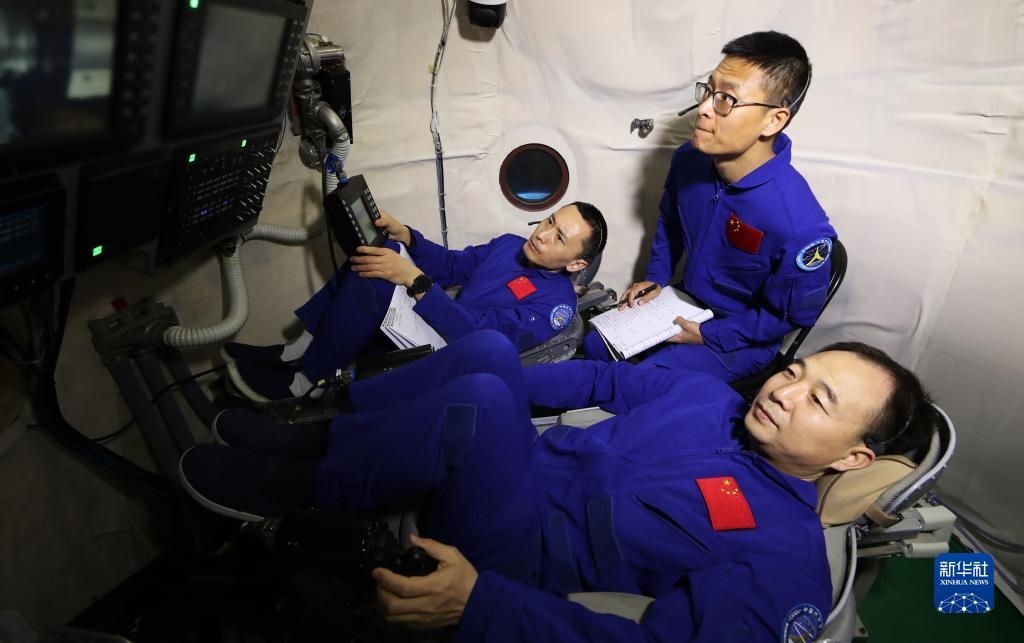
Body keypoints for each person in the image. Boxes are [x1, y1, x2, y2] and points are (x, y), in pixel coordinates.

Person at [179, 329, 937, 642]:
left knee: (485, 399)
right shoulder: (712, 399)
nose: (783, 391)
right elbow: (603, 379)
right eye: (795, 371)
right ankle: (317, 435)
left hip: (521, 554)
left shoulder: (785, 558)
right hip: (525, 468)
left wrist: (482, 603)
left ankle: (294, 488)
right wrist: (509, 382)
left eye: (819, 401)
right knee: (488, 351)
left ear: (853, 458)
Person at [582, 30, 837, 382]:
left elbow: (791, 316)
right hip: (683, 303)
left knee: (638, 384)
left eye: (727, 99)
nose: (703, 109)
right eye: (709, 91)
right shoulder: (689, 160)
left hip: (740, 338)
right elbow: (670, 220)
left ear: (773, 120)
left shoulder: (799, 225)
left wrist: (710, 334)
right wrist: (656, 278)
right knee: (595, 345)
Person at [224, 200, 607, 402]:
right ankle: (297, 350)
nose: (542, 234)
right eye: (550, 221)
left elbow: (481, 338)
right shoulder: (510, 246)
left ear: (576, 264)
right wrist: (406, 236)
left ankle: (304, 386)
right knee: (381, 250)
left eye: (559, 238)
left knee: (378, 279)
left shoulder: (555, 308)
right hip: (443, 319)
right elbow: (454, 265)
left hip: (458, 350)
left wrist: (415, 281)